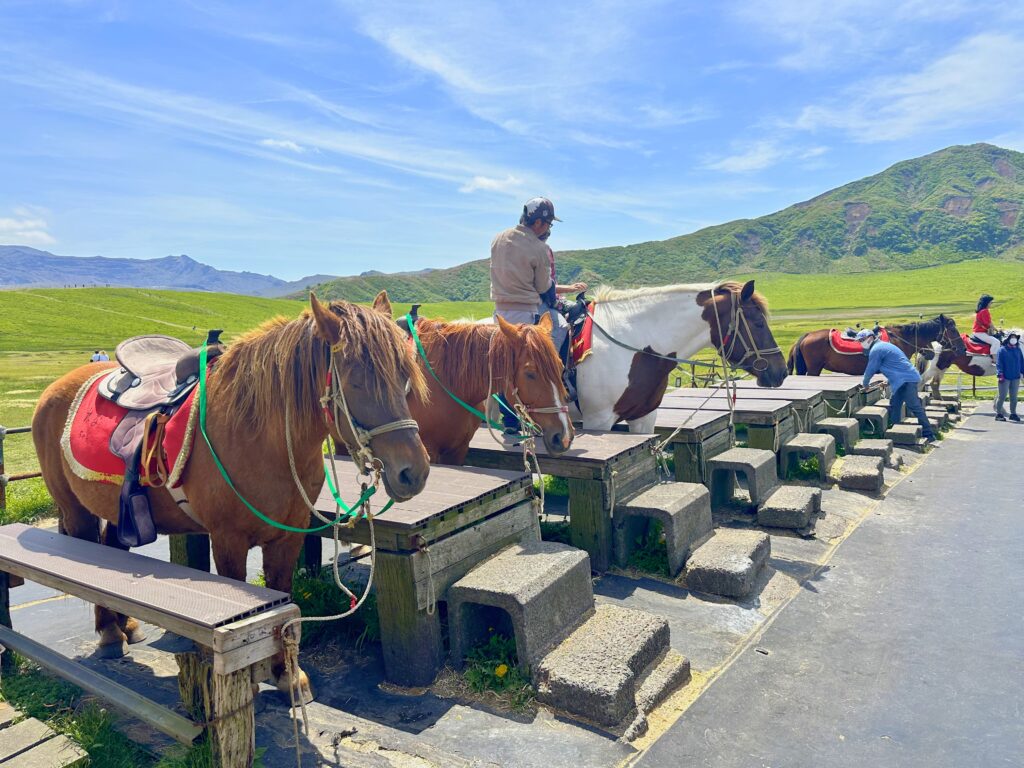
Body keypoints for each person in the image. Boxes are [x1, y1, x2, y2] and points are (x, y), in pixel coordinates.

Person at [489, 197, 582, 433]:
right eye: (549, 224)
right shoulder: (538, 248)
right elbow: (543, 287)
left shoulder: (498, 239)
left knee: (505, 365)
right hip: (526, 310)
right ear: (539, 223)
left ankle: (509, 421)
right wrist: (557, 301)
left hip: (500, 312)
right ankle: (559, 377)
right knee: (560, 327)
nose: (549, 229)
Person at [857, 329, 937, 443]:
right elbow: (898, 366)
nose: (860, 343)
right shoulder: (885, 346)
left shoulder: (876, 349)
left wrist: (865, 384)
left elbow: (870, 369)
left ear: (870, 338)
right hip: (904, 379)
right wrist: (889, 381)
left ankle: (929, 434)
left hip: (907, 380)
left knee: (914, 406)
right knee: (895, 404)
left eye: (862, 340)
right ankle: (896, 430)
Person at [994, 329, 1023, 422]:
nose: (1014, 339)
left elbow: (1022, 362)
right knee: (1002, 396)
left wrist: (1023, 372)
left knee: (1014, 397)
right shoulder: (1002, 350)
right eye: (1012, 337)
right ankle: (999, 413)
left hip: (1015, 377)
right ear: (1008, 339)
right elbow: (999, 363)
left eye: (1015, 338)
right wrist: (1000, 374)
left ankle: (1013, 413)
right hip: (1004, 377)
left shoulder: (1018, 350)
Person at [972, 294, 1000, 358]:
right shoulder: (985, 311)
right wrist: (996, 329)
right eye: (991, 302)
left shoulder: (981, 311)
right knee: (996, 342)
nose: (991, 304)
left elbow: (989, 322)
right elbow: (988, 324)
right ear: (987, 303)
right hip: (980, 333)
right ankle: (995, 359)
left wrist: (995, 329)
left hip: (978, 332)